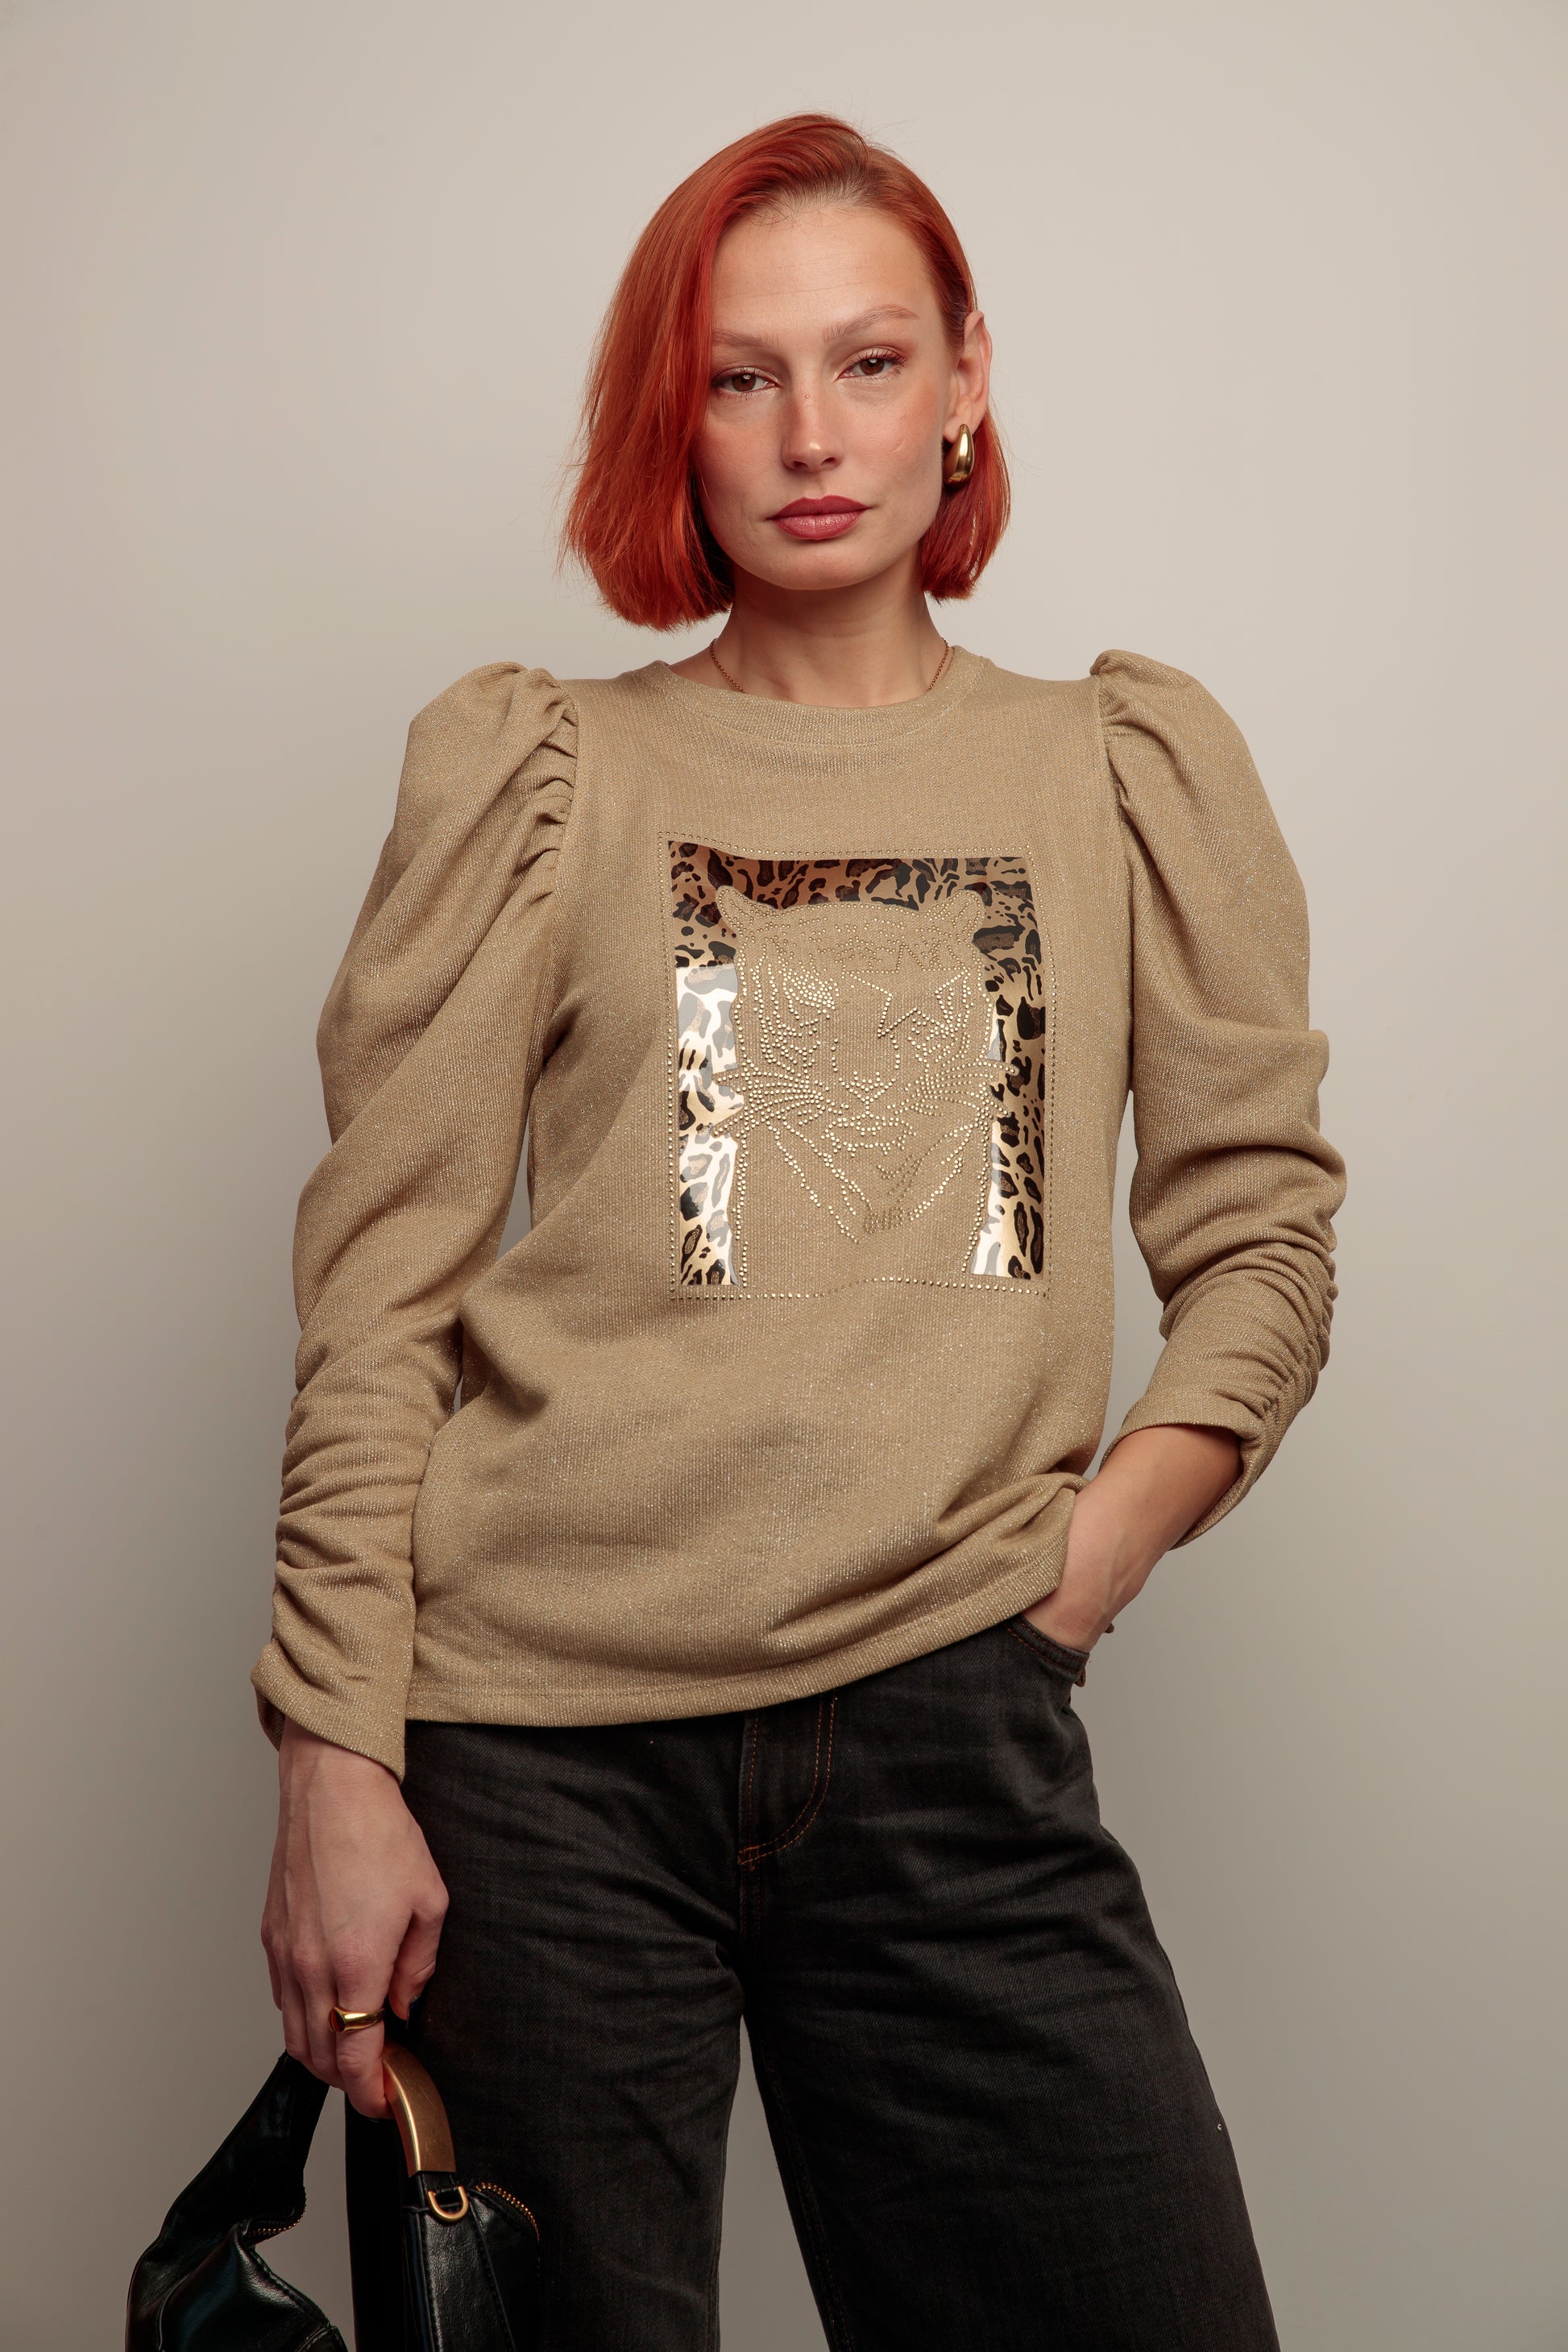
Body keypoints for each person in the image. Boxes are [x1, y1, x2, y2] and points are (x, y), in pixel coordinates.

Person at [255, 113, 1344, 2350]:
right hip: (536, 1763)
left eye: (868, 361)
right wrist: (335, 1763)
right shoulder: (542, 775)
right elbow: (381, 1296)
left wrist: (1091, 1554)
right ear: (676, 419)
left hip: (952, 1719)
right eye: (740, 379)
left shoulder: (1119, 769)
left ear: (966, 382)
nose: (812, 436)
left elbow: (1261, 1232)